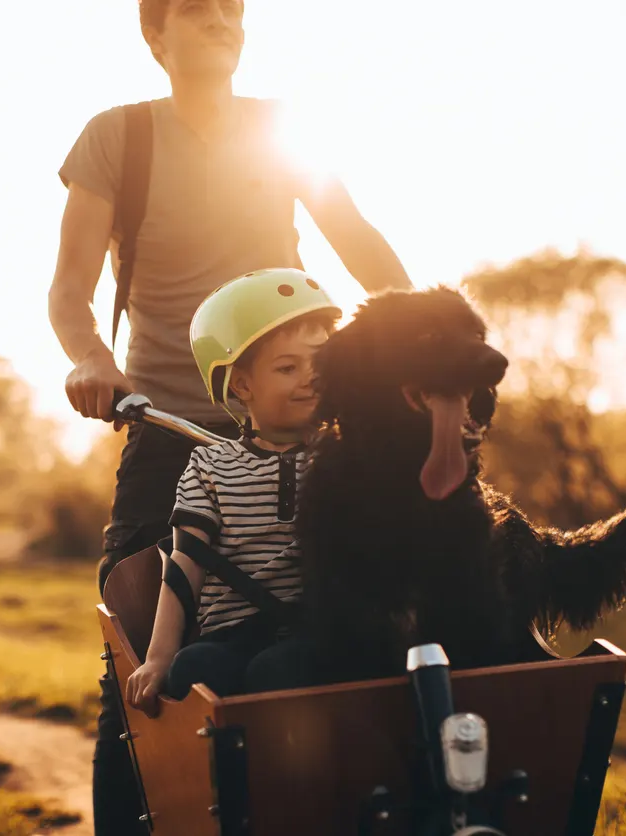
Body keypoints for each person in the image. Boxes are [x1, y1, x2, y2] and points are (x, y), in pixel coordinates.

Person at [47, 1, 412, 832]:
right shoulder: (117, 138)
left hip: (302, 424)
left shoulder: (283, 129)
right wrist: (92, 360)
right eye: (195, 8)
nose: (219, 19)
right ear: (155, 36)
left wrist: (415, 336)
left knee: (353, 617)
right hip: (167, 423)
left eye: (231, 8)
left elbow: (356, 238)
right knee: (138, 651)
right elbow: (71, 286)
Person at [125, 269, 336, 712]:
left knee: (279, 671)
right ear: (241, 384)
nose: (309, 378)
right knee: (194, 670)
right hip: (234, 630)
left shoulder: (342, 454)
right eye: (287, 367)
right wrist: (160, 655)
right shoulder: (210, 465)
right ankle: (224, 776)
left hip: (322, 626)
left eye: (321, 363)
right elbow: (185, 562)